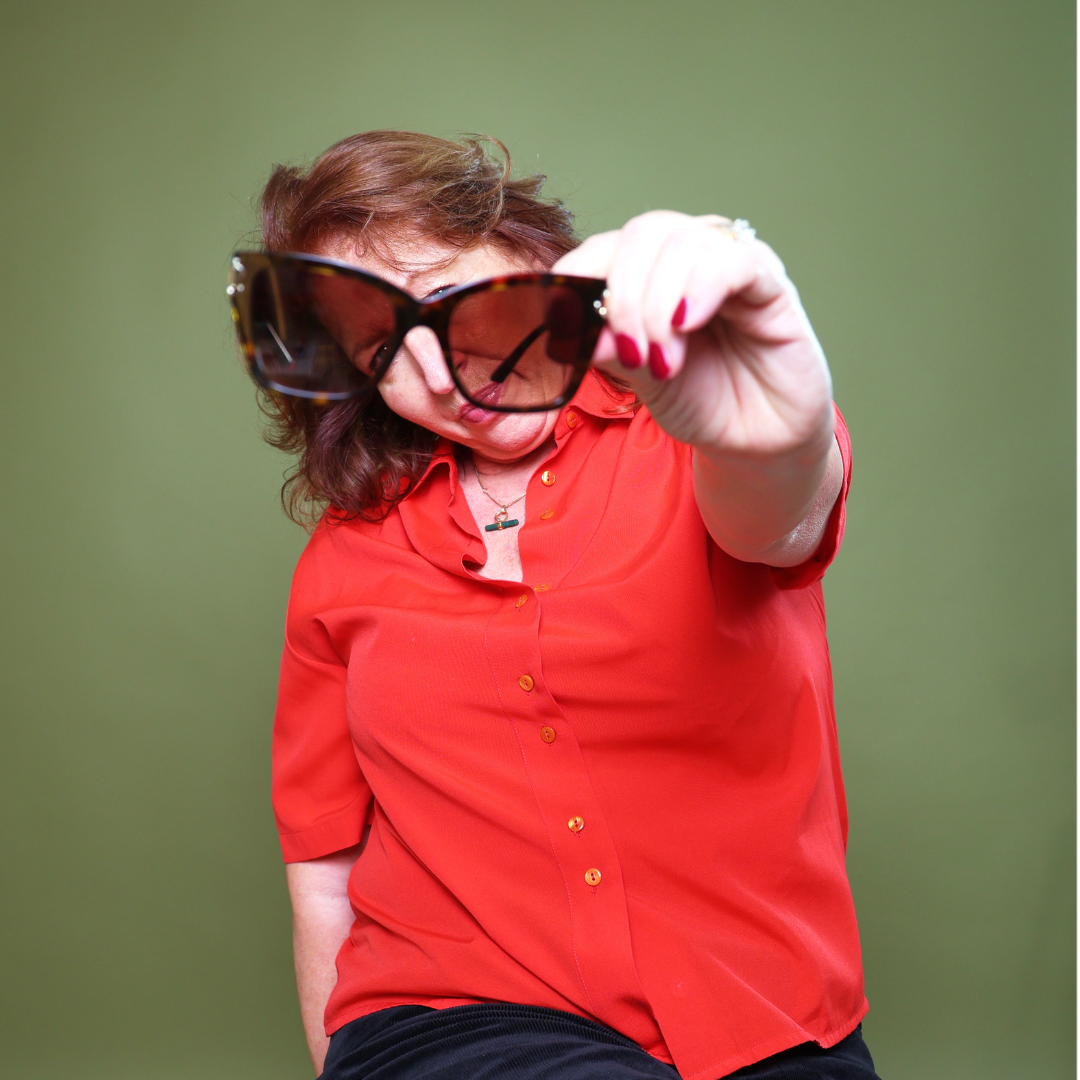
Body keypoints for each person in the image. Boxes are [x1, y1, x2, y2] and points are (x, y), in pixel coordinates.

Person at [229, 130, 878, 1080]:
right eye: (383, 347)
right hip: (453, 1023)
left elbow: (778, 513)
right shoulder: (346, 554)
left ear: (536, 259)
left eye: (450, 301)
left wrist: (775, 438)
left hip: (770, 1020)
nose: (437, 375)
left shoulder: (701, 438)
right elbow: (325, 860)